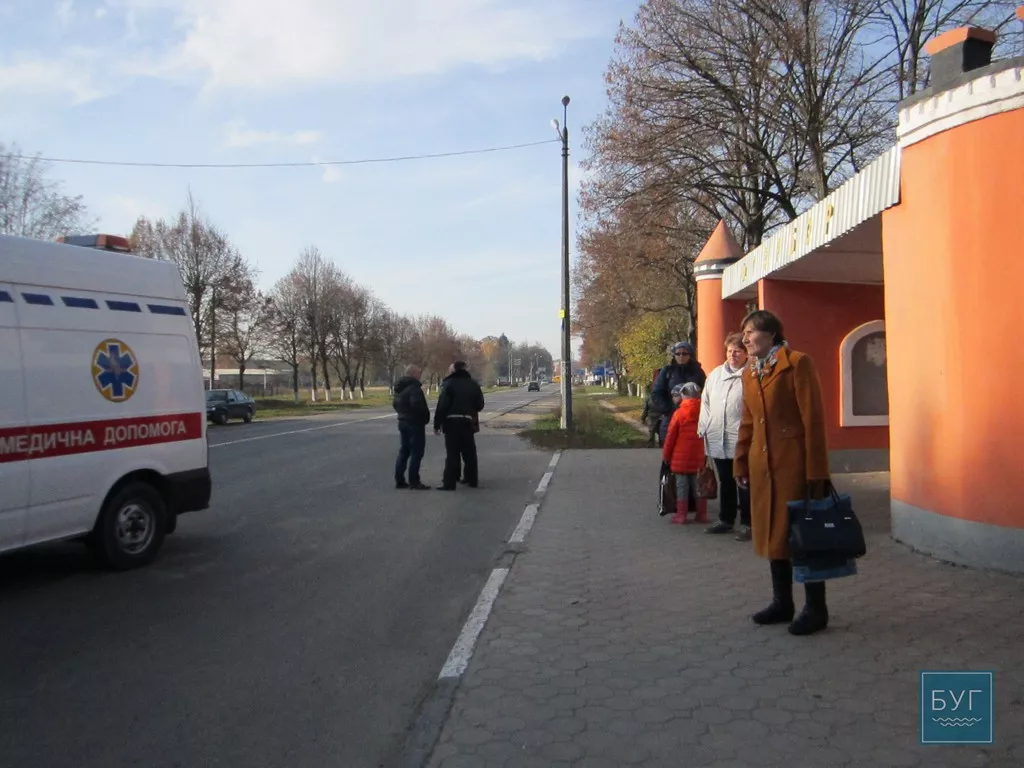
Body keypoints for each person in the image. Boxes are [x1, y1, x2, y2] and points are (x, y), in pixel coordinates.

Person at [734, 310, 833, 636]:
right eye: (744, 333)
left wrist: (816, 471)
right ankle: (782, 602)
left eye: (751, 331)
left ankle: (816, 608)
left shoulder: (797, 363)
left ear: (772, 334)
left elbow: (813, 420)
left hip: (793, 465)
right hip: (763, 468)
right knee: (772, 535)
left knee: (802, 535)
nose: (745, 338)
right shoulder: (751, 372)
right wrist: (740, 461)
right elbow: (748, 421)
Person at [698, 332, 752, 540]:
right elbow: (705, 402)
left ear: (746, 353)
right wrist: (703, 427)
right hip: (717, 437)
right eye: (729, 351)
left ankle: (748, 524)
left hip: (742, 439)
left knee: (744, 482)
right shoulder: (715, 375)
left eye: (737, 351)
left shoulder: (751, 375)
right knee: (726, 481)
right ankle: (726, 520)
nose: (732, 355)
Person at [651, 341, 708, 511]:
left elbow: (707, 393)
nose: (681, 357)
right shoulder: (667, 372)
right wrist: (669, 410)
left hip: (695, 423)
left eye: (684, 353)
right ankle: (670, 499)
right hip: (671, 421)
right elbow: (656, 393)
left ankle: (693, 501)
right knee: (671, 463)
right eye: (678, 354)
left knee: (694, 464)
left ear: (690, 354)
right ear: (674, 355)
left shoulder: (698, 372)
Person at [434, 361, 485, 490]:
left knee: (452, 453)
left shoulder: (448, 384)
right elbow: (479, 405)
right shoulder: (473, 384)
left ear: (454, 370)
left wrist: (437, 424)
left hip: (451, 421)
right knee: (469, 452)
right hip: (468, 421)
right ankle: (472, 479)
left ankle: (449, 482)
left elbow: (442, 405)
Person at [662, 382, 707, 525]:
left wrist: (666, 456)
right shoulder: (705, 412)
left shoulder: (679, 414)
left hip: (680, 458)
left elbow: (670, 437)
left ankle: (681, 515)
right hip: (699, 457)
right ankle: (702, 514)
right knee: (699, 487)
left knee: (682, 488)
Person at [393, 364, 431, 490]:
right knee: (417, 452)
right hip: (414, 423)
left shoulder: (399, 387)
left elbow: (395, 404)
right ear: (414, 374)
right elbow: (417, 405)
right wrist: (424, 417)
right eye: (418, 373)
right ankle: (414, 481)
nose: (420, 375)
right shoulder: (414, 388)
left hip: (402, 421)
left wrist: (402, 414)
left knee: (404, 450)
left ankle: (399, 480)